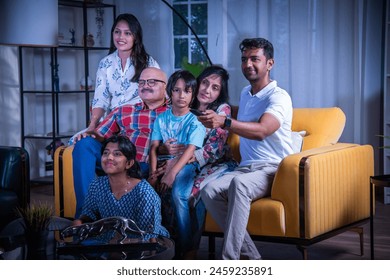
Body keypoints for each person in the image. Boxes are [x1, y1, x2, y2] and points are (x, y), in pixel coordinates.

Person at [199, 38, 294, 260]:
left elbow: (262, 130)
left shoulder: (279, 97)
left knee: (239, 184)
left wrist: (225, 121)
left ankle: (229, 262)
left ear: (269, 63)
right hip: (246, 168)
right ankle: (253, 259)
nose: (248, 64)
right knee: (209, 190)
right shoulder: (246, 93)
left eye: (255, 59)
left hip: (272, 169)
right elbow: (238, 115)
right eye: (244, 59)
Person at [72, 67, 169, 218]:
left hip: (147, 164)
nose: (145, 85)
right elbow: (100, 135)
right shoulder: (124, 110)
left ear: (166, 87)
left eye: (152, 82)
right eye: (142, 82)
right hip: (119, 159)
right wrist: (90, 133)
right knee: (84, 144)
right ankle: (86, 215)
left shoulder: (174, 114)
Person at [69, 13, 159, 145]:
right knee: (76, 142)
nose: (121, 37)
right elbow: (100, 99)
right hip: (113, 121)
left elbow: (159, 97)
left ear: (136, 36)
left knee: (121, 147)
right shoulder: (105, 63)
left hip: (140, 121)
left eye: (127, 33)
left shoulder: (149, 63)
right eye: (117, 32)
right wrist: (92, 126)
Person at [148, 70, 205, 258]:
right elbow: (154, 148)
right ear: (169, 92)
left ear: (193, 94)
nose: (181, 96)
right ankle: (152, 241)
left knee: (179, 194)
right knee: (147, 190)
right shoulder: (162, 118)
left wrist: (171, 174)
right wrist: (153, 174)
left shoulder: (195, 120)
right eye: (177, 90)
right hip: (163, 162)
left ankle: (186, 248)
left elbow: (190, 150)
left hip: (186, 165)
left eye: (187, 91)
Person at [73, 135, 169, 241]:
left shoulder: (144, 193)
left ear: (129, 163)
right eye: (105, 153)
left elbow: (150, 236)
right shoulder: (97, 185)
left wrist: (123, 243)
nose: (109, 157)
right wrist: (80, 221)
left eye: (117, 154)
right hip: (112, 241)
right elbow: (89, 213)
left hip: (146, 246)